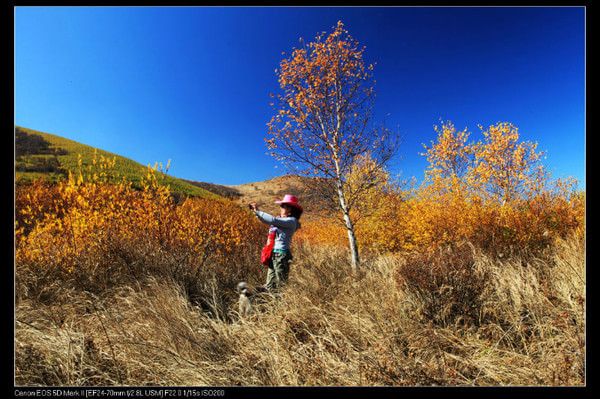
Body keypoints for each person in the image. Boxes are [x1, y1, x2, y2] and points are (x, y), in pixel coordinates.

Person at [249, 194, 303, 292]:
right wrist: (256, 212)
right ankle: (267, 303)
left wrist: (258, 211)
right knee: (269, 286)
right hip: (274, 254)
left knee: (281, 286)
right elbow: (268, 221)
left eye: (283, 206)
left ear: (290, 209)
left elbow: (272, 220)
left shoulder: (292, 221)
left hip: (281, 256)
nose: (281, 208)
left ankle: (281, 305)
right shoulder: (283, 220)